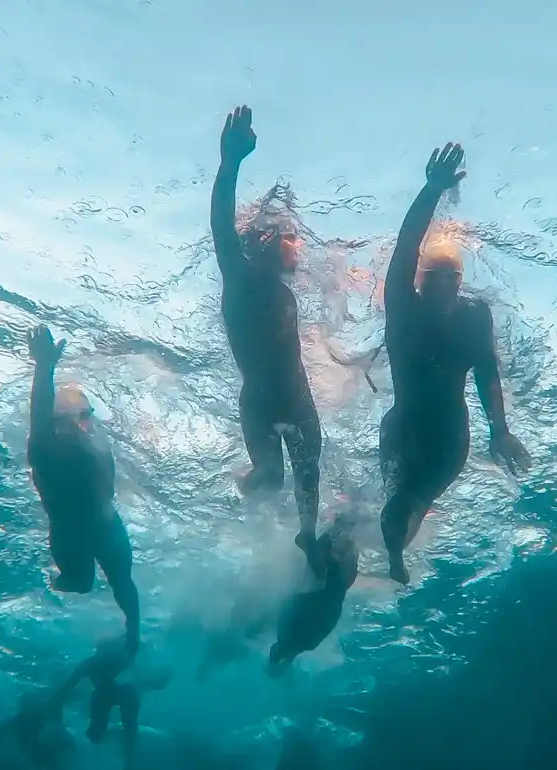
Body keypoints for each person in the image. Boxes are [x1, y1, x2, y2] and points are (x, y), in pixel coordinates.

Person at [380, 143, 532, 584]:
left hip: (450, 440)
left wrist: (499, 429)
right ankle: (391, 552)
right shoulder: (403, 309)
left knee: (413, 501)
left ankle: (397, 548)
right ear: (420, 282)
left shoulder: (473, 318)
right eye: (434, 280)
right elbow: (406, 248)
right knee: (395, 501)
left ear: (460, 283)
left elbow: (487, 372)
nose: (443, 289)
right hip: (404, 430)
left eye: (451, 281)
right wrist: (430, 190)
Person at [211, 104, 324, 575]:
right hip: (258, 403)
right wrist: (230, 162)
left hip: (297, 399)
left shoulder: (279, 287)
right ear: (264, 244)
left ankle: (307, 537)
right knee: (273, 478)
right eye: (290, 239)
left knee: (309, 475)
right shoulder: (242, 278)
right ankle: (249, 486)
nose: (298, 244)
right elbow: (220, 227)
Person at [27, 324, 141, 652]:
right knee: (80, 584)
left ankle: (133, 638)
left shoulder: (94, 445)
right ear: (59, 421)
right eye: (79, 417)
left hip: (105, 527)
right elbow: (39, 411)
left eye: (88, 415)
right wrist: (44, 367)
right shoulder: (46, 447)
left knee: (122, 583)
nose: (86, 423)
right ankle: (58, 581)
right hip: (69, 533)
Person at [9, 638, 171, 770]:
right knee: (95, 733)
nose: (103, 657)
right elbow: (68, 685)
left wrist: (158, 680)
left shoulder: (119, 661)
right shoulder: (91, 663)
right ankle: (110, 740)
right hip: (103, 696)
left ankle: (129, 759)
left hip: (123, 694)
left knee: (129, 727)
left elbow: (143, 677)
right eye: (102, 653)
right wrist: (53, 701)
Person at [268, 511, 360, 675]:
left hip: (320, 601)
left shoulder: (299, 642)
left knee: (293, 644)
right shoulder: (294, 640)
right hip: (321, 602)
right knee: (294, 644)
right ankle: (276, 667)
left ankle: (275, 668)